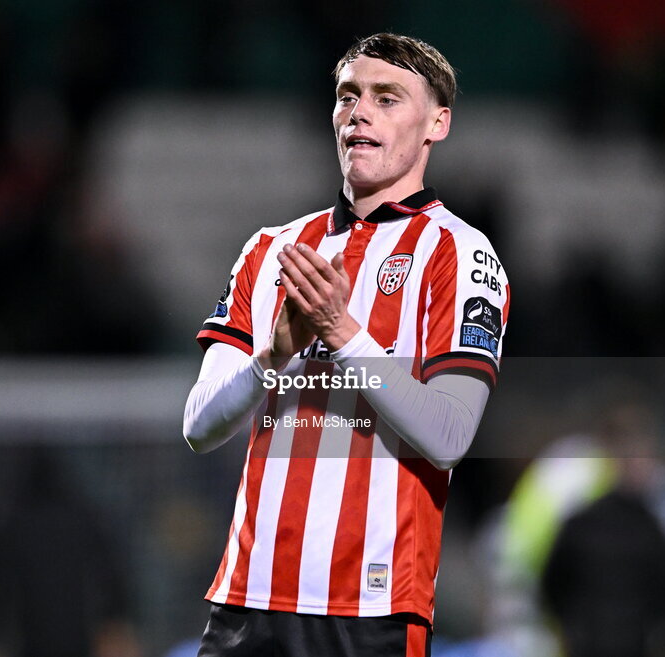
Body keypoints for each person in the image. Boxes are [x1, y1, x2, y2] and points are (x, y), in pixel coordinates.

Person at [183, 33, 510, 656]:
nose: (359, 112)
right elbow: (199, 426)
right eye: (348, 96)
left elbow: (449, 436)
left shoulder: (460, 254)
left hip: (371, 610)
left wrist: (343, 334)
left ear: (437, 123)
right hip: (247, 602)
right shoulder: (270, 248)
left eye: (388, 98)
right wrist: (273, 358)